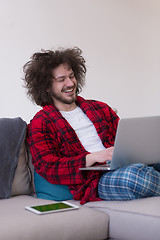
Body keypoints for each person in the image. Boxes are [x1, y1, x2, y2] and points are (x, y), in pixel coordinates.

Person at [23, 47, 160, 204]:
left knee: (147, 164)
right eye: (61, 80)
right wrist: (92, 158)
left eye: (72, 76)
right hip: (96, 180)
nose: (70, 83)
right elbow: (48, 167)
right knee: (133, 177)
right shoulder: (41, 123)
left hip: (123, 164)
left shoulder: (100, 108)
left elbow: (125, 142)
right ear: (46, 87)